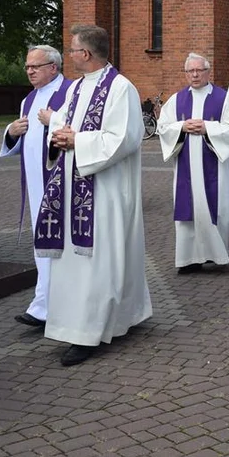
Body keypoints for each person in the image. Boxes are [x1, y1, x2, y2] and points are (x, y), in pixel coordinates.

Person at [36, 24, 152, 366]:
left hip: (105, 189)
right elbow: (63, 124)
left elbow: (125, 138)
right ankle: (78, 322)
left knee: (99, 259)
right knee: (77, 260)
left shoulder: (120, 88)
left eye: (72, 50)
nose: (70, 55)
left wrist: (77, 141)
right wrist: (58, 136)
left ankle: (90, 331)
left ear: (85, 54)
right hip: (72, 185)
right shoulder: (75, 89)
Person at [0, 45, 71, 327]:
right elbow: (24, 140)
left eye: (35, 66)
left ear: (53, 67)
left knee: (59, 242)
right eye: (27, 67)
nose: (29, 71)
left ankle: (56, 303)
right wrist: (10, 132)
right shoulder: (28, 99)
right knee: (42, 242)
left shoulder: (70, 93)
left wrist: (54, 120)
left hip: (62, 183)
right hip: (36, 184)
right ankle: (42, 304)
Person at [159, 53, 229, 274]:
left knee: (219, 208)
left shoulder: (224, 99)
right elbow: (163, 127)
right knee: (189, 212)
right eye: (190, 71)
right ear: (186, 74)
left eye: (199, 70)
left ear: (208, 71)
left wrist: (207, 128)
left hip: (216, 168)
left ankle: (218, 253)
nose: (194, 75)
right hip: (187, 167)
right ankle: (189, 259)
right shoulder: (176, 100)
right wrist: (181, 128)